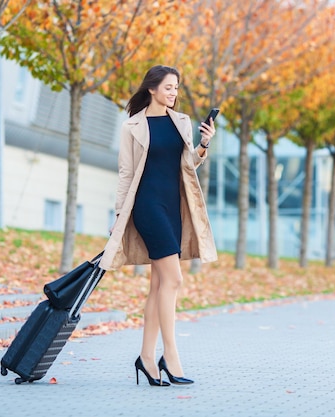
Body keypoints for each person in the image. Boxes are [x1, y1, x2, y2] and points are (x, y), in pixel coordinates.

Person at [100, 65, 218, 386]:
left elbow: (186, 164)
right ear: (152, 88)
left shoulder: (181, 122)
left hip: (172, 208)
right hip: (147, 207)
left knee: (158, 285)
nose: (173, 93)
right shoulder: (132, 127)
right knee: (174, 280)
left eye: (176, 88)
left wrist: (204, 146)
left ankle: (147, 359)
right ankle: (172, 358)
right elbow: (126, 174)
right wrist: (118, 217)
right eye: (168, 87)